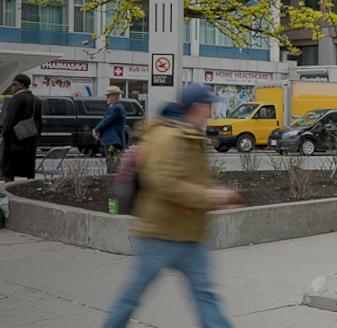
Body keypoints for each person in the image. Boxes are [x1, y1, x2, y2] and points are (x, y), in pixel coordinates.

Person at [102, 84, 242, 328]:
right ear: (197, 107)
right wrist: (211, 196)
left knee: (205, 296)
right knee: (131, 297)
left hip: (188, 233)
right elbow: (164, 183)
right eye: (208, 106)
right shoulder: (170, 137)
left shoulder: (189, 135)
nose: (211, 113)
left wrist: (220, 195)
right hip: (161, 234)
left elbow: (195, 179)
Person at [0, 74, 41, 182]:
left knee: (10, 168)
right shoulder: (36, 99)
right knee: (28, 168)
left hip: (15, 140)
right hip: (30, 139)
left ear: (22, 85)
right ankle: (29, 188)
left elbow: (10, 119)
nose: (12, 87)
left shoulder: (17, 99)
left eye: (14, 84)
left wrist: (3, 135)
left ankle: (9, 190)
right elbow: (39, 120)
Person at [94, 86, 128, 173]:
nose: (107, 98)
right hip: (112, 141)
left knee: (113, 165)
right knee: (113, 164)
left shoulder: (116, 108)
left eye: (109, 96)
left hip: (113, 141)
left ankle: (113, 182)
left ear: (115, 96)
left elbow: (107, 121)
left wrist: (96, 130)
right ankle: (114, 181)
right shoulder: (115, 107)